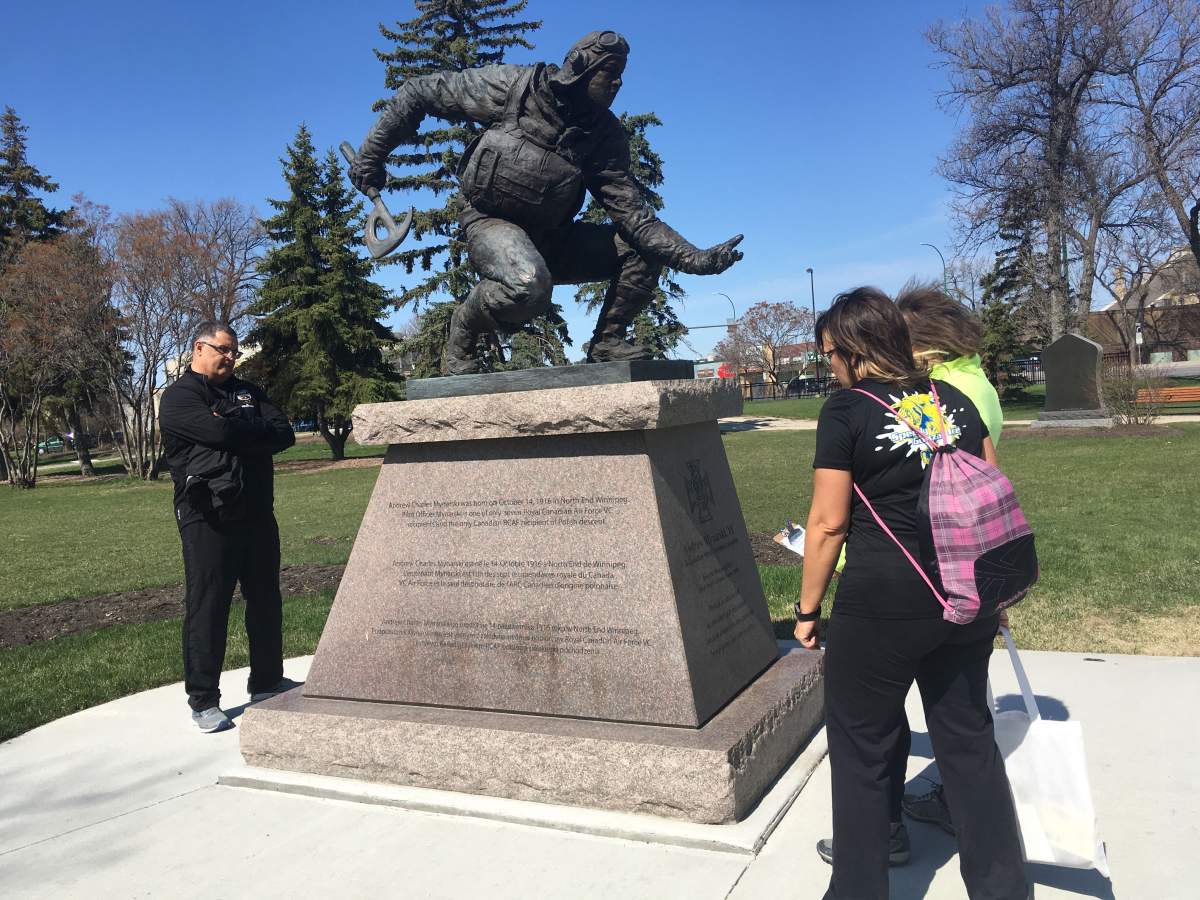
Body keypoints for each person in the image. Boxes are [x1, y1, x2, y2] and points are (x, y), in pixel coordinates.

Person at [793, 288, 1026, 900]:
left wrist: (807, 610)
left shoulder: (847, 411)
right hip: (966, 594)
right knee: (968, 742)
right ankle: (1003, 889)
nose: (830, 367)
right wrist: (997, 592)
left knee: (862, 749)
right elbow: (993, 495)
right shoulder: (955, 400)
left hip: (882, 604)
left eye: (829, 355)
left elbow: (828, 525)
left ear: (852, 349)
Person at [347, 30, 744, 374]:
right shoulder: (515, 89)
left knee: (640, 251)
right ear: (582, 68)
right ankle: (465, 327)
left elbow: (636, 220)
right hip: (491, 223)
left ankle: (607, 342)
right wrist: (372, 155)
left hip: (554, 238)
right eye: (610, 72)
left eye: (621, 74)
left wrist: (694, 259)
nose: (618, 83)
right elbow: (420, 92)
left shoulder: (603, 137)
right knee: (528, 286)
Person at [895, 282, 1006, 835]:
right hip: (971, 557)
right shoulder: (978, 383)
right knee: (964, 704)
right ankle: (973, 817)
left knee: (886, 710)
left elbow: (909, 480)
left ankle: (887, 828)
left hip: (932, 563)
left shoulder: (939, 393)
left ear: (921, 346)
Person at [160, 321, 298, 732]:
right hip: (208, 517)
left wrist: (232, 425)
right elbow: (215, 431)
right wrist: (242, 430)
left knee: (265, 600)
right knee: (209, 605)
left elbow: (284, 434)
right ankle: (204, 700)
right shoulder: (180, 396)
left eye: (234, 352)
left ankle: (267, 681)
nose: (230, 358)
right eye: (223, 349)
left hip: (257, 514)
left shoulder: (248, 392)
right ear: (199, 348)